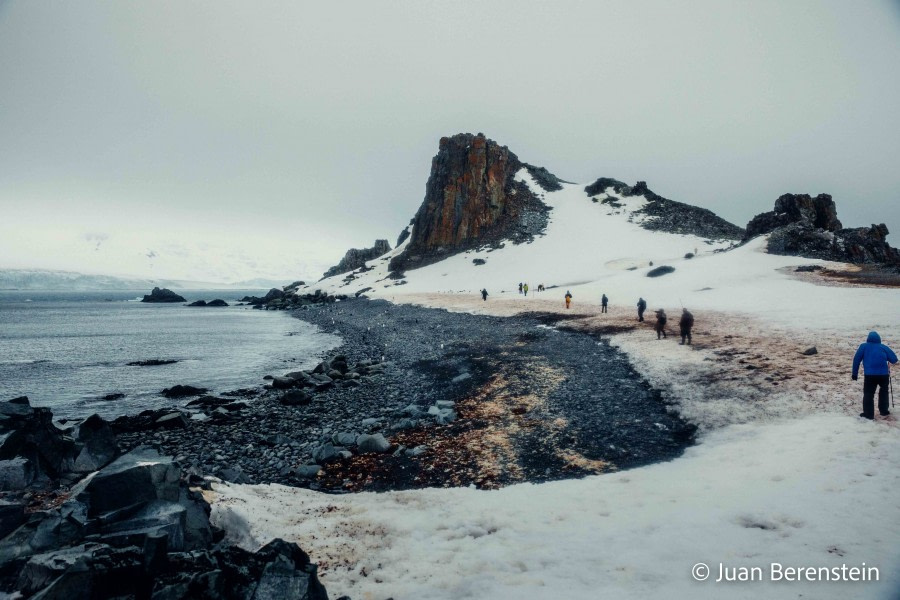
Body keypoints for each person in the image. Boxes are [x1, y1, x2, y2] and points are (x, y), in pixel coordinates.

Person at [852, 331, 897, 419]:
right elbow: (894, 359)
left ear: (868, 339)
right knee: (884, 392)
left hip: (870, 375)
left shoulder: (863, 346)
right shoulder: (883, 347)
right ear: (879, 339)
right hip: (883, 375)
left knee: (868, 394)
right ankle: (884, 411)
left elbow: (856, 359)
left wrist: (854, 373)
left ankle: (868, 414)